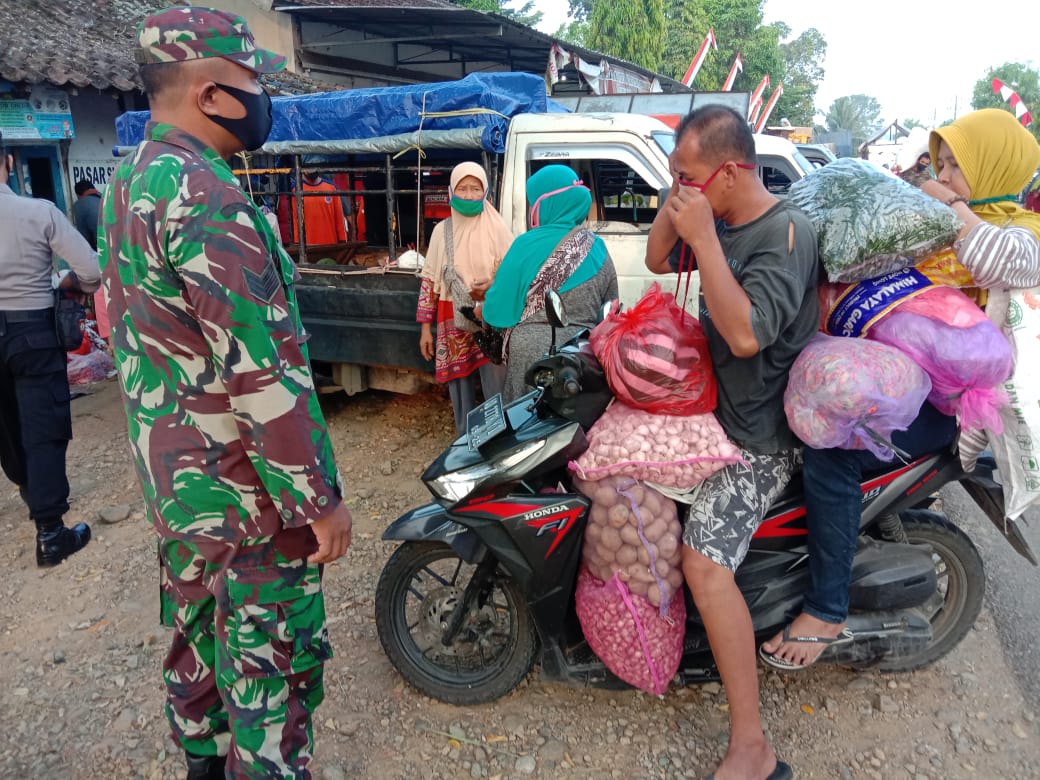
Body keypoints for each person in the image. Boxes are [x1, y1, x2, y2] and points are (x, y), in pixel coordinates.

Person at [97, 7, 352, 778]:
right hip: (249, 507)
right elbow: (260, 374)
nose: (261, 99)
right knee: (270, 682)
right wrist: (317, 501)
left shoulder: (130, 183)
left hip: (181, 494)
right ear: (211, 93)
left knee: (199, 661)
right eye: (253, 83)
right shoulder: (207, 197)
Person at [760, 108, 1040, 672]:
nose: (945, 173)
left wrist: (943, 198)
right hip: (893, 377)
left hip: (951, 405)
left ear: (997, 167)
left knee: (831, 451)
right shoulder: (930, 219)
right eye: (940, 162)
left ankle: (826, 608)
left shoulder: (1024, 234)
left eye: (959, 164)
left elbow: (989, 260)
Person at [645, 105, 819, 780]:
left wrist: (708, 242)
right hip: (713, 413)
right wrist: (677, 192)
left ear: (730, 172)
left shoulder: (784, 233)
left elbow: (747, 335)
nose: (680, 187)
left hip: (761, 437)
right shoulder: (714, 216)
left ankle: (754, 746)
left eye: (690, 175)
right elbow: (659, 257)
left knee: (705, 565)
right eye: (675, 175)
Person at [0, 132, 99, 567]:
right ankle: (52, 533)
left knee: (7, 426)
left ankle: (31, 496)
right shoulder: (37, 212)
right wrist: (66, 285)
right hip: (32, 332)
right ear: (6, 162)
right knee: (42, 427)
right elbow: (92, 270)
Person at [482, 164, 618, 404]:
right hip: (581, 356)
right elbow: (611, 309)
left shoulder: (525, 245)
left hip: (531, 359)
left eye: (533, 203)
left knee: (525, 426)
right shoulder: (597, 247)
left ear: (545, 204)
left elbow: (496, 312)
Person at [417, 161, 513, 433]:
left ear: (485, 192)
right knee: (460, 387)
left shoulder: (497, 228)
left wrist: (493, 283)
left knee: (497, 382)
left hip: (492, 315)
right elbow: (430, 281)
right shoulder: (441, 231)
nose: (469, 195)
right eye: (463, 188)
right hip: (452, 314)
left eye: (475, 188)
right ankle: (465, 440)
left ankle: (499, 438)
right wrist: (426, 329)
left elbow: (514, 275)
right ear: (451, 191)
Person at [290, 169, 352, 246]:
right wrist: (297, 243)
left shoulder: (331, 188)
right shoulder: (296, 191)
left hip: (330, 245)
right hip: (308, 247)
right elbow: (295, 220)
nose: (311, 170)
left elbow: (339, 218)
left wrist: (342, 240)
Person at [72, 179, 102, 250]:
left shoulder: (79, 205)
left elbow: (85, 239)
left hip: (103, 250)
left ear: (78, 195)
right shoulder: (107, 198)